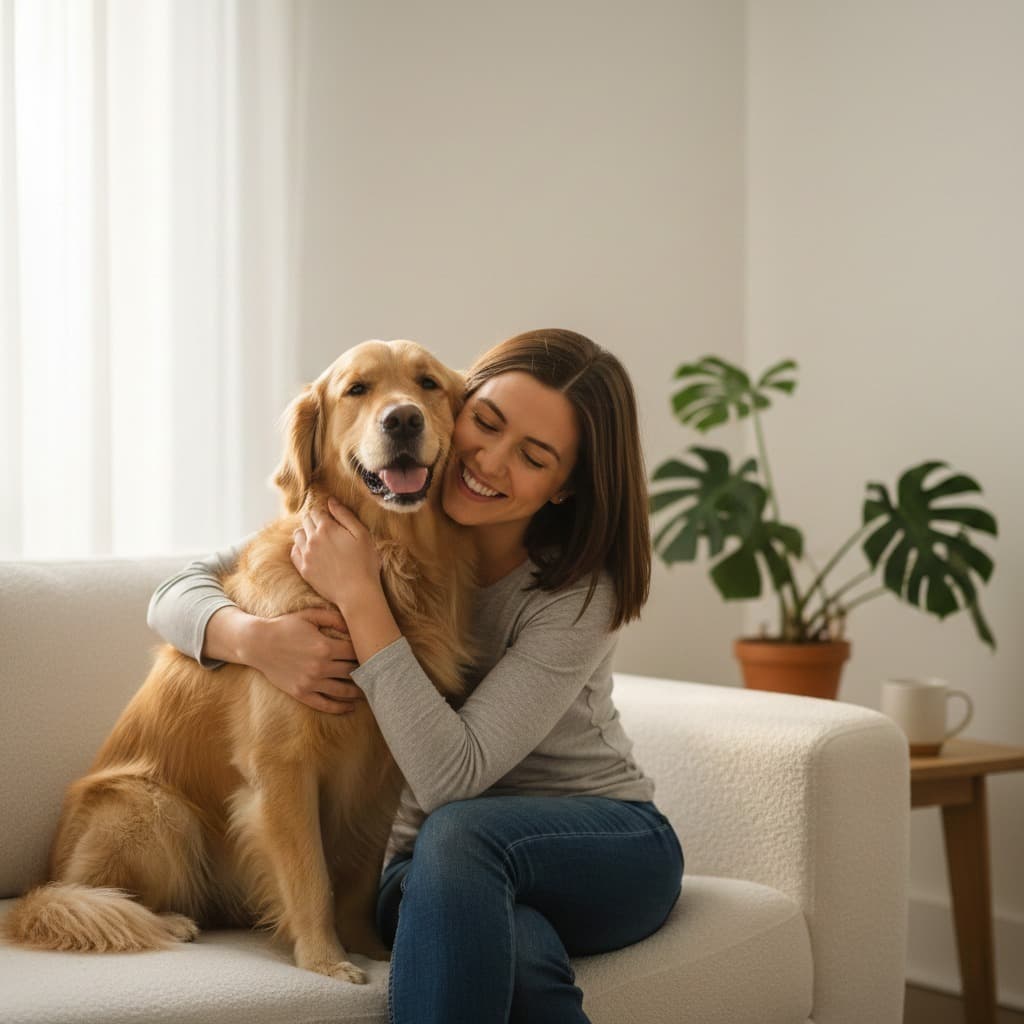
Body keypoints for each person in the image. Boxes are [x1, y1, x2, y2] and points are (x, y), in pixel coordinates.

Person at [148, 328, 684, 1023]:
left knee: (458, 829)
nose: (489, 459)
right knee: (516, 954)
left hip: (598, 842)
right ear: (458, 412)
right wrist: (252, 638)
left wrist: (362, 599)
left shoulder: (576, 593)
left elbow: (448, 780)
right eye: (485, 423)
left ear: (565, 487)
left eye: (533, 456)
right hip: (443, 864)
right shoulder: (352, 522)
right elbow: (175, 591)